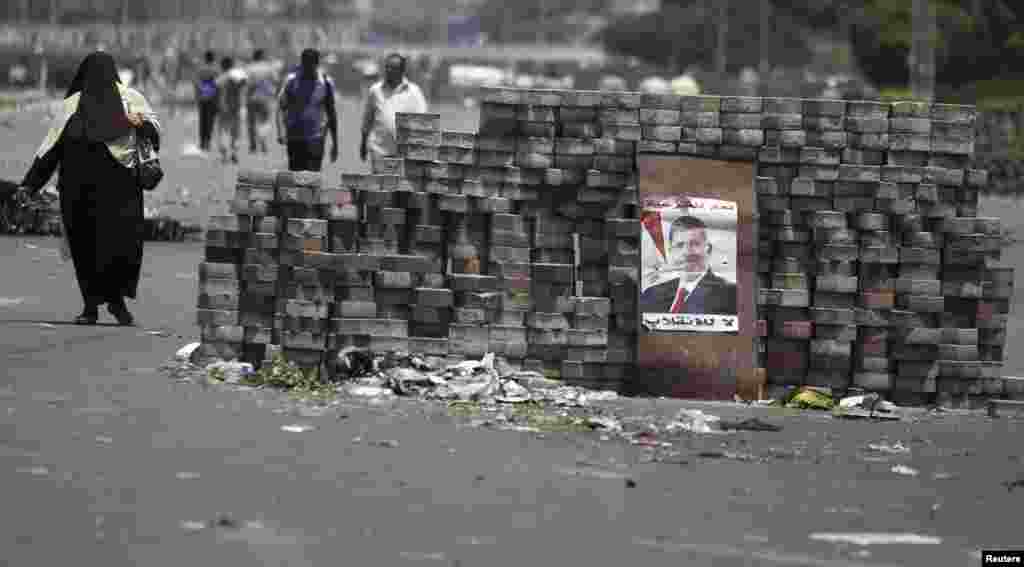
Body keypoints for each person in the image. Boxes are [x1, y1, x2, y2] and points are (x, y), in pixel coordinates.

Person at [14, 51, 160, 326]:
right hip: (105, 192)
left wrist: (30, 184)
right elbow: (52, 148)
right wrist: (29, 186)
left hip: (96, 192)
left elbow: (49, 152)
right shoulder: (112, 101)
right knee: (98, 247)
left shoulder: (121, 101)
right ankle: (97, 306)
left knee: (103, 248)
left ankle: (107, 304)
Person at [640, 216, 737, 316]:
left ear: (708, 249)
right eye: (679, 245)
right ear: (670, 251)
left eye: (694, 244)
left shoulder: (731, 294)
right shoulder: (652, 294)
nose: (686, 252)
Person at [276, 48, 338, 172]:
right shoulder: (292, 81)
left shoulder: (325, 83)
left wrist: (335, 143)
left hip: (316, 138)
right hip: (294, 137)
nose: (308, 69)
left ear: (317, 64)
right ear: (302, 63)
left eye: (311, 65)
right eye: (305, 65)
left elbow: (331, 113)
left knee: (312, 176)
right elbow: (281, 108)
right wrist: (280, 131)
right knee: (296, 176)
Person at [360, 53, 428, 162]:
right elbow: (367, 120)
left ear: (402, 71)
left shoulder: (414, 92)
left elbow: (423, 121)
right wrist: (363, 144)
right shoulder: (375, 90)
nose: (388, 71)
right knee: (380, 174)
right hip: (379, 151)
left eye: (393, 68)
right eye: (387, 67)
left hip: (404, 153)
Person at [245, 48, 278, 155]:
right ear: (262, 56)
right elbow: (276, 80)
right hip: (265, 98)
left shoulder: (249, 68)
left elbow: (246, 82)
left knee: (251, 122)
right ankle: (262, 139)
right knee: (265, 121)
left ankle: (253, 146)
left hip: (251, 98)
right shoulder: (269, 68)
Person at [216, 56, 247, 164]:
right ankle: (234, 153)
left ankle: (224, 154)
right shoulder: (237, 76)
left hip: (223, 107)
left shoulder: (220, 78)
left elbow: (217, 92)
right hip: (236, 106)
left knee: (223, 130)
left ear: (222, 66)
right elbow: (244, 84)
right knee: (236, 131)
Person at [194, 50, 219, 152]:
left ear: (205, 58)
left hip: (203, 97)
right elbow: (218, 85)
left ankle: (202, 141)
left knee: (202, 120)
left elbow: (196, 84)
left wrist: (197, 97)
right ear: (213, 58)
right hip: (212, 98)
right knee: (210, 121)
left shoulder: (200, 69)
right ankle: (208, 141)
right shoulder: (216, 70)